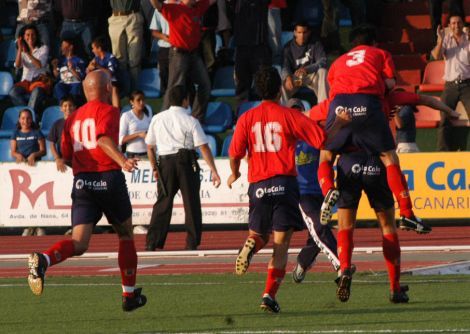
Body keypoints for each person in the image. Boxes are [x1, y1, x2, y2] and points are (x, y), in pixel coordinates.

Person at [27, 70, 147, 312]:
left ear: (84, 90)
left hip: (82, 183)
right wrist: (122, 161)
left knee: (79, 243)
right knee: (125, 235)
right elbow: (103, 140)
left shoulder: (72, 119)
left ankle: (44, 259)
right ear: (105, 89)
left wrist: (84, 170)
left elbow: (68, 156)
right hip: (108, 178)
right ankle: (129, 295)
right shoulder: (110, 112)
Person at [227, 67, 327, 313]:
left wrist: (235, 172)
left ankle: (251, 244)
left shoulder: (247, 118)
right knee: (281, 245)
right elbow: (321, 139)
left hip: (259, 185)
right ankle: (268, 296)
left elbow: (234, 153)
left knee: (258, 235)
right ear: (279, 89)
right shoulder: (288, 115)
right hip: (285, 183)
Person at [317, 25, 427, 236]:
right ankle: (407, 212)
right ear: (374, 43)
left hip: (338, 104)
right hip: (367, 101)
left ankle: (328, 189)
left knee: (326, 155)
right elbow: (389, 83)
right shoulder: (380, 53)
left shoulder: (338, 62)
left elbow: (332, 92)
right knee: (389, 157)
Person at [145, 85, 221, 251]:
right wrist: (214, 171)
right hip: (186, 162)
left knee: (163, 203)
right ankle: (191, 242)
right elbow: (204, 147)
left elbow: (149, 146)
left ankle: (152, 242)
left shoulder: (157, 118)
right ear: (185, 100)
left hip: (165, 162)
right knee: (191, 203)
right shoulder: (191, 120)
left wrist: (154, 168)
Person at [334, 150, 409, 304]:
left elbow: (326, 153)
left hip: (348, 163)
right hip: (375, 162)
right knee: (388, 226)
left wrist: (327, 185)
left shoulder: (340, 124)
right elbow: (390, 154)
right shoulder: (380, 124)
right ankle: (395, 288)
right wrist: (407, 207)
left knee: (345, 226)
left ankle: (345, 268)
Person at [287, 98, 342, 283]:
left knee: (316, 233)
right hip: (302, 194)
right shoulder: (285, 139)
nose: (296, 115)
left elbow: (329, 141)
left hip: (320, 192)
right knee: (320, 227)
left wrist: (340, 122)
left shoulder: (313, 133)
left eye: (299, 111)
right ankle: (342, 265)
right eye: (292, 112)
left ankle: (303, 262)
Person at [149, 0, 216, 122]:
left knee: (205, 84)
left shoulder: (197, 7)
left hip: (193, 54)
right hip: (179, 54)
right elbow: (157, 5)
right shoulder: (174, 9)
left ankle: (196, 119)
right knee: (174, 87)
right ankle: (161, 122)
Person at [431, 14, 470, 151]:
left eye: (459, 23)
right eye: (453, 23)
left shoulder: (468, 39)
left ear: (463, 25)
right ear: (449, 26)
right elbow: (435, 56)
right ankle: (443, 152)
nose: (456, 26)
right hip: (450, 86)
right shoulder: (446, 40)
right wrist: (440, 39)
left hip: (467, 84)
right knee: (444, 118)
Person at [11, 108, 46, 237]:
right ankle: (28, 226)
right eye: (23, 118)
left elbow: (43, 150)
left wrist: (34, 154)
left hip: (37, 169)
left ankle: (40, 226)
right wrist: (17, 155)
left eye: (28, 118)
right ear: (19, 120)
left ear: (32, 120)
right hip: (22, 171)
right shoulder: (15, 133)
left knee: (39, 198)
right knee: (25, 199)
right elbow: (13, 151)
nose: (26, 121)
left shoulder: (37, 132)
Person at [228, 0, 272, 104]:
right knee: (241, 86)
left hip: (259, 47)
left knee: (263, 84)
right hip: (241, 46)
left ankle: (263, 114)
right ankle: (241, 114)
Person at [281, 21, 329, 104]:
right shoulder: (288, 47)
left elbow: (323, 61)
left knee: (323, 72)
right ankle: (283, 112)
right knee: (282, 83)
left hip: (311, 75)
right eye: (299, 32)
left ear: (309, 32)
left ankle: (323, 108)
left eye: (304, 32)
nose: (302, 35)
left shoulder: (316, 43)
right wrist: (287, 77)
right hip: (295, 77)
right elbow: (285, 65)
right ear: (295, 33)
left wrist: (307, 69)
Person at [9, 24, 51, 113]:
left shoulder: (43, 48)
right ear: (23, 37)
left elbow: (39, 65)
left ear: (36, 36)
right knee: (12, 92)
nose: (30, 37)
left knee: (36, 91)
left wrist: (28, 53)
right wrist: (20, 49)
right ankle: (27, 115)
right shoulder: (22, 50)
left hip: (39, 81)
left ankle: (30, 116)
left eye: (33, 34)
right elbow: (17, 65)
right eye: (27, 35)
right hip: (26, 82)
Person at [108, 0, 144, 91]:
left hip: (133, 16)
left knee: (134, 59)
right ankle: (122, 90)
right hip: (116, 17)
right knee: (119, 59)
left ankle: (135, 91)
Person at [149, 0, 176, 97]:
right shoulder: (160, 7)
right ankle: (166, 98)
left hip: (180, 47)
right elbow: (154, 31)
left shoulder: (183, 5)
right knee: (164, 75)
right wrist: (164, 37)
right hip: (165, 47)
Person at [87, 36, 120, 108]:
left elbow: (110, 74)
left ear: (99, 48)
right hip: (100, 82)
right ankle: (91, 107)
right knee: (84, 83)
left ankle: (116, 111)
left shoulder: (111, 58)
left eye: (93, 48)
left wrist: (98, 66)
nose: (92, 50)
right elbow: (87, 73)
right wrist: (89, 68)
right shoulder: (96, 58)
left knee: (114, 88)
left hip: (112, 82)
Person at [52, 38, 86, 103]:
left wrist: (72, 69)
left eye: (63, 46)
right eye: (61, 46)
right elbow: (57, 76)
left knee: (77, 86)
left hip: (74, 84)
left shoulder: (79, 60)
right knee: (58, 86)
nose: (61, 48)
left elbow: (80, 78)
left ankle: (74, 105)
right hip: (64, 84)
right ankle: (63, 106)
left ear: (71, 47)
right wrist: (54, 66)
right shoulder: (61, 61)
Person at [47, 95, 76, 173]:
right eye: (65, 106)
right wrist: (57, 158)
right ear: (61, 108)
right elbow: (52, 143)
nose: (68, 108)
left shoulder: (79, 122)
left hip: (78, 160)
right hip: (63, 162)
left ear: (75, 107)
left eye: (70, 105)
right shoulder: (57, 124)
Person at [119, 90, 151, 158]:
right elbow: (121, 140)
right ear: (131, 102)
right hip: (132, 154)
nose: (141, 102)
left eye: (143, 100)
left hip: (148, 153)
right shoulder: (126, 116)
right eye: (138, 100)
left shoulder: (148, 111)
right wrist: (138, 134)